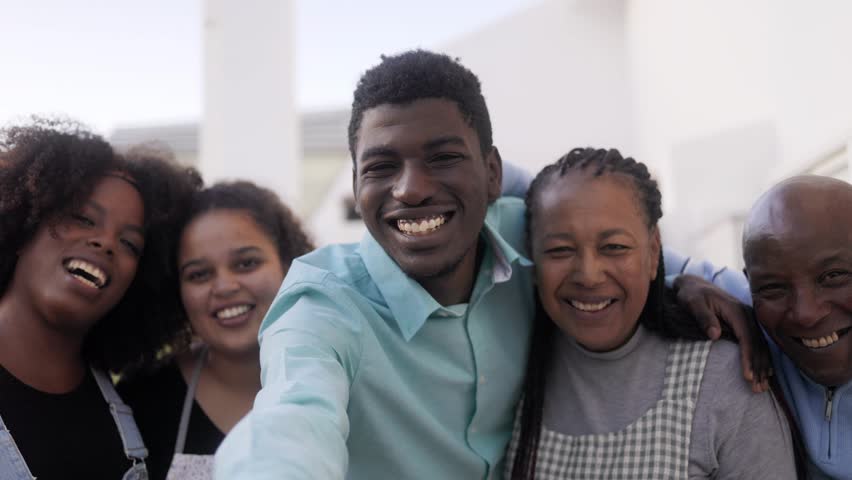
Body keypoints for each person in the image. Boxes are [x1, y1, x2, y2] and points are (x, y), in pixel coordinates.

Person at [214, 50, 765, 480]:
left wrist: (680, 280)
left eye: (444, 157)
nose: (410, 190)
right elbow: (291, 420)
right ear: (356, 184)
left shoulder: (534, 238)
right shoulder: (322, 302)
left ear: (493, 174)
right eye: (381, 166)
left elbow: (612, 249)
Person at [505, 147, 796, 479]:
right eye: (560, 250)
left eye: (614, 247)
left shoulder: (721, 381)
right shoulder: (513, 364)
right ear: (532, 261)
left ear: (654, 250)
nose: (588, 274)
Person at [0, 118, 198, 479]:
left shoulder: (129, 408)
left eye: (129, 244)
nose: (105, 242)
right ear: (23, 222)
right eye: (83, 218)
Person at [118, 181, 313, 480]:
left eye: (246, 263)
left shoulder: (346, 381)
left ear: (289, 265)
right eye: (199, 274)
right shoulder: (143, 400)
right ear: (177, 292)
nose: (224, 287)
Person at [740, 175, 852, 479]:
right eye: (773, 288)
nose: (806, 314)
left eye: (833, 276)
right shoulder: (746, 312)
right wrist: (690, 288)